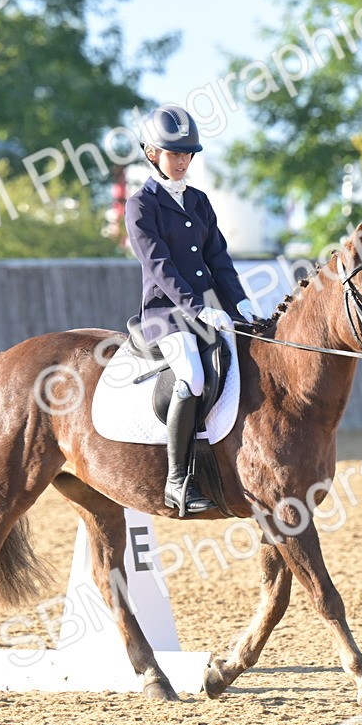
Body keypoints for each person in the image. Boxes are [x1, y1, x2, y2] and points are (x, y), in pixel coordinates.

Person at [125, 103, 258, 515]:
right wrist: (199, 309)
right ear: (153, 154)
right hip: (166, 316)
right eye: (174, 154)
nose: (182, 161)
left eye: (187, 154)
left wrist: (241, 302)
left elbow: (219, 259)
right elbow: (160, 266)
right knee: (193, 376)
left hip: (212, 311)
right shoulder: (141, 206)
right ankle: (178, 481)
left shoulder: (198, 201)